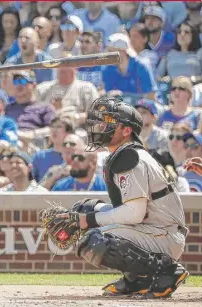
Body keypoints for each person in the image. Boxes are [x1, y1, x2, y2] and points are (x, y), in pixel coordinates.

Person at [59, 96, 188, 298]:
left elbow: (134, 214)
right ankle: (138, 280)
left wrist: (88, 221)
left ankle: (165, 272)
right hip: (152, 230)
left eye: (109, 123)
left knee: (95, 240)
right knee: (84, 209)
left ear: (126, 131)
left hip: (163, 236)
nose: (101, 127)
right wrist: (86, 215)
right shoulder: (125, 154)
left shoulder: (131, 158)